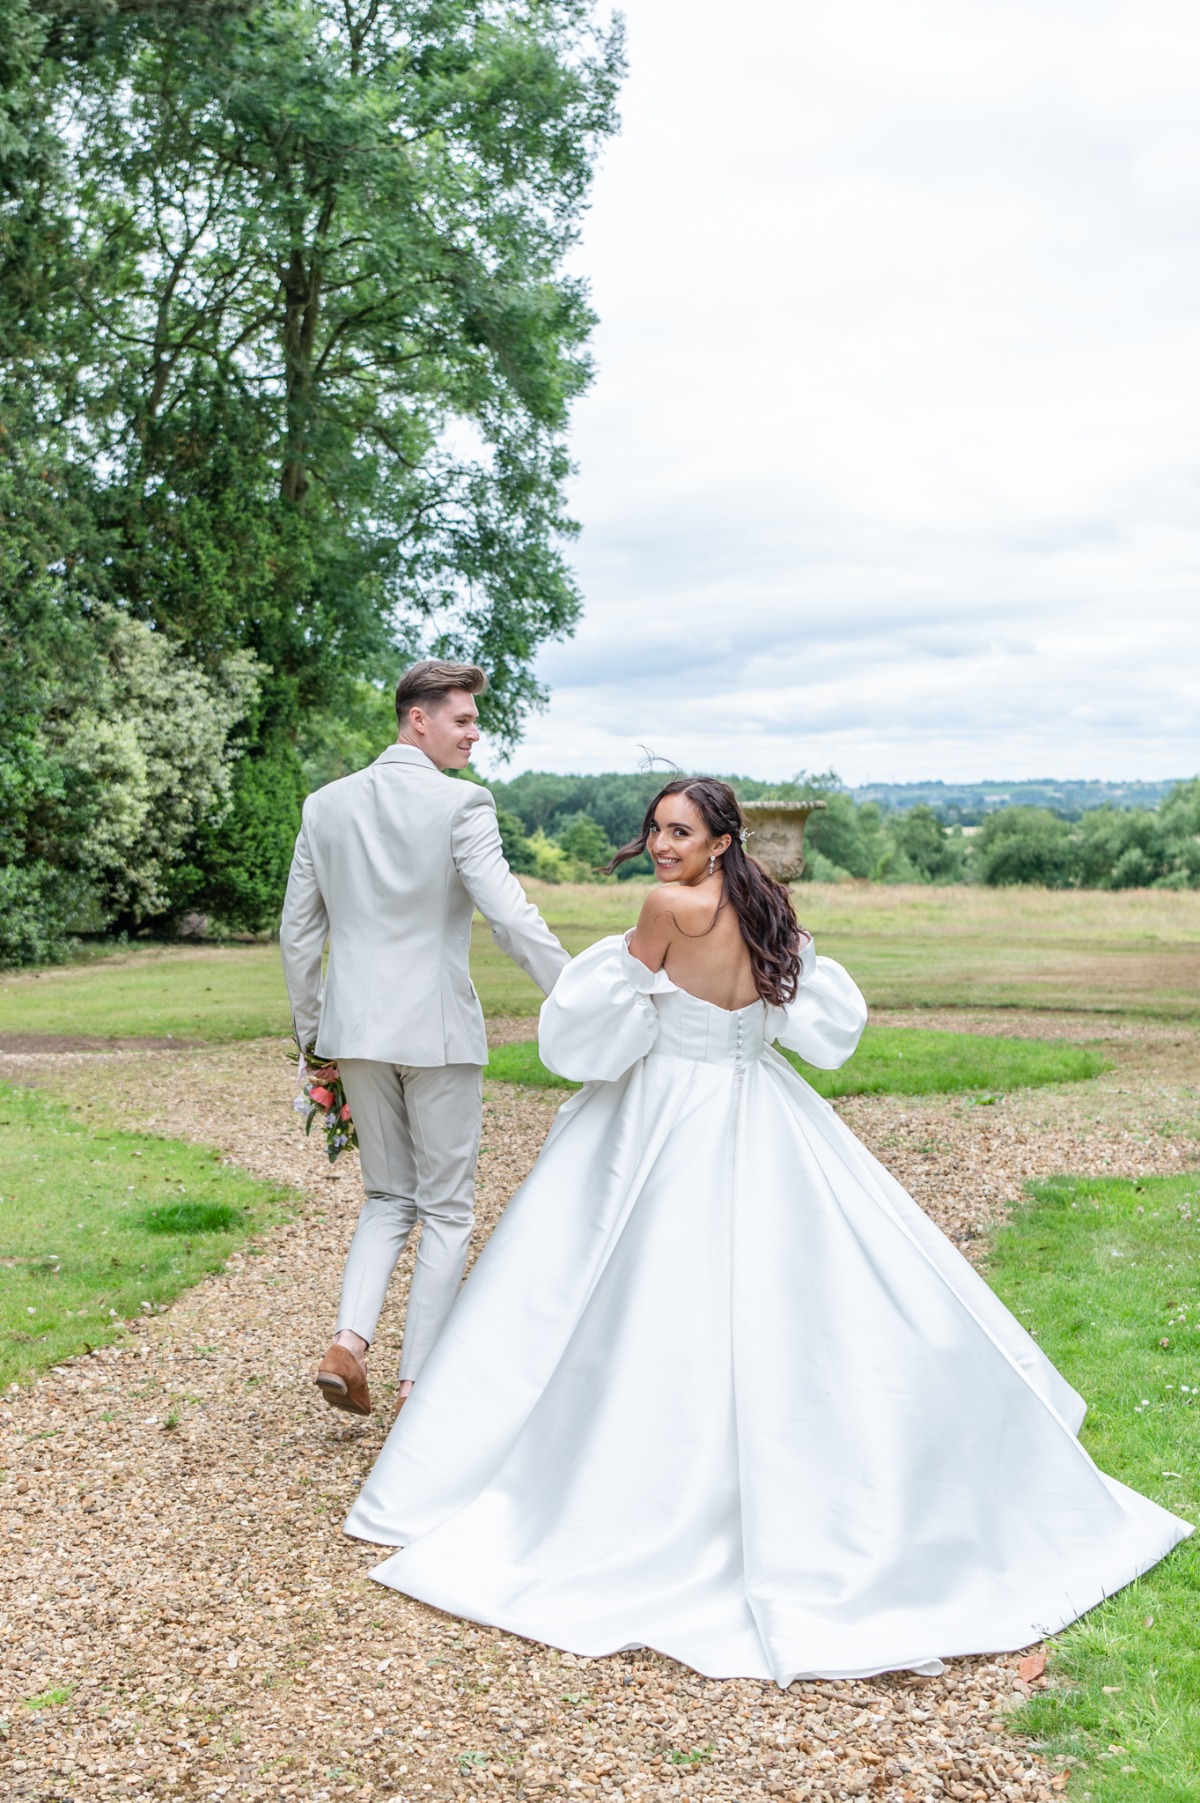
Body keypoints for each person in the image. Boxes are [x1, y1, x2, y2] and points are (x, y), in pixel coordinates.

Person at [343, 777, 1190, 1684]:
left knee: (609, 1292)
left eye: (680, 830)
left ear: (718, 840)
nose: (662, 843)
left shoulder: (667, 908)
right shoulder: (769, 908)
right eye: (656, 828)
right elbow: (814, 1025)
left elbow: (594, 1030)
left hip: (666, 1110)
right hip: (760, 1102)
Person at [280, 660, 569, 1419]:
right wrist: (578, 996)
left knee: (386, 1198)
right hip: (437, 1028)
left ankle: (348, 1342)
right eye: (464, 719)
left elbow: (297, 934)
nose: (476, 733)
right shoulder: (462, 804)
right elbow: (507, 916)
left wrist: (317, 1035)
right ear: (419, 719)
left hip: (356, 1031)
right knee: (445, 1208)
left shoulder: (325, 805)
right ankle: (419, 1387)